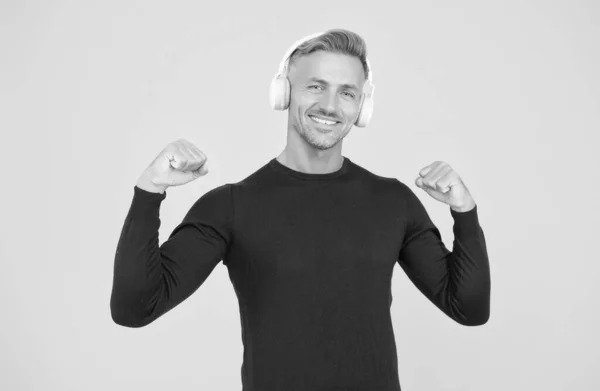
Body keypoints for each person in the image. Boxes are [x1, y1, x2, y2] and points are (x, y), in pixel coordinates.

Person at [110, 28, 491, 391]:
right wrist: (150, 189)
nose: (330, 105)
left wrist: (464, 209)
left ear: (362, 106)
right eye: (316, 86)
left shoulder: (393, 201)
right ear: (284, 92)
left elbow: (468, 308)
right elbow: (134, 308)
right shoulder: (232, 206)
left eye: (347, 93)